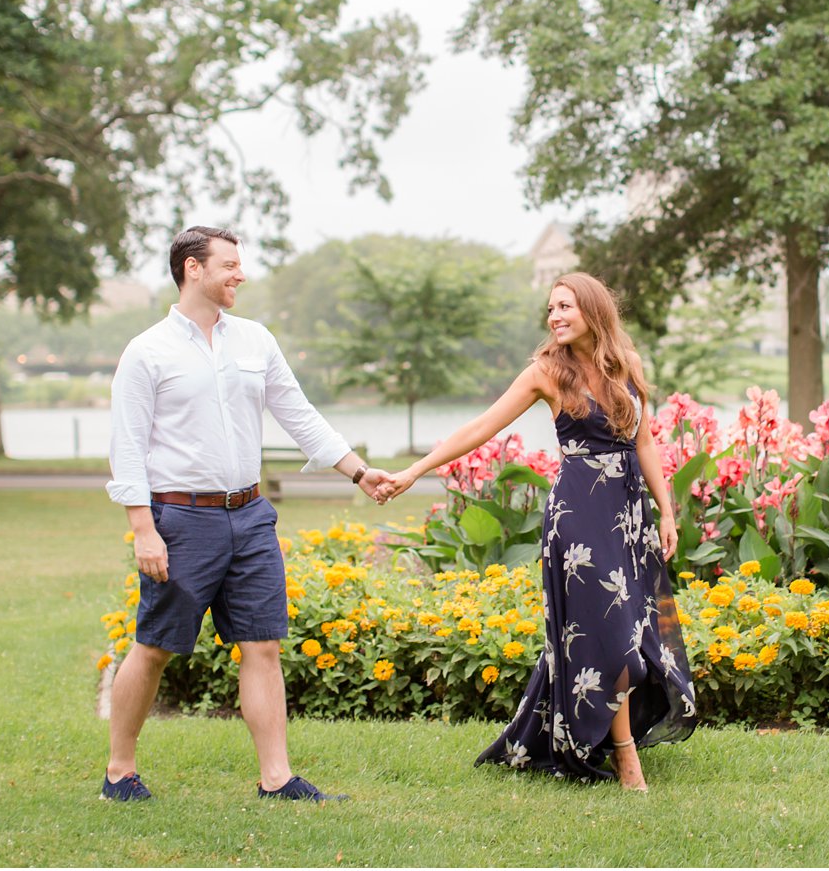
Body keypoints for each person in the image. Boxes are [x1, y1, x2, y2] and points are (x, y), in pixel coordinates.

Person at [101, 225, 392, 803]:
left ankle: (277, 779)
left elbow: (299, 415)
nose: (240, 274)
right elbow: (127, 446)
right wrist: (143, 530)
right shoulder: (147, 351)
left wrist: (360, 472)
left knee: (262, 645)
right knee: (155, 645)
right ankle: (119, 772)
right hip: (180, 521)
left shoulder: (256, 340)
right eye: (229, 264)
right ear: (192, 269)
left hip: (251, 515)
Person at [384, 272, 696, 790]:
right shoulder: (546, 373)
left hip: (629, 516)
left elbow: (645, 445)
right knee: (615, 638)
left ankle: (584, 734)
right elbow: (479, 428)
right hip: (578, 519)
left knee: (633, 635)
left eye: (565, 306)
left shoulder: (628, 366)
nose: (555, 317)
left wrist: (665, 511)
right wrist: (415, 471)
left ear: (593, 310)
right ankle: (624, 756)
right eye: (551, 309)